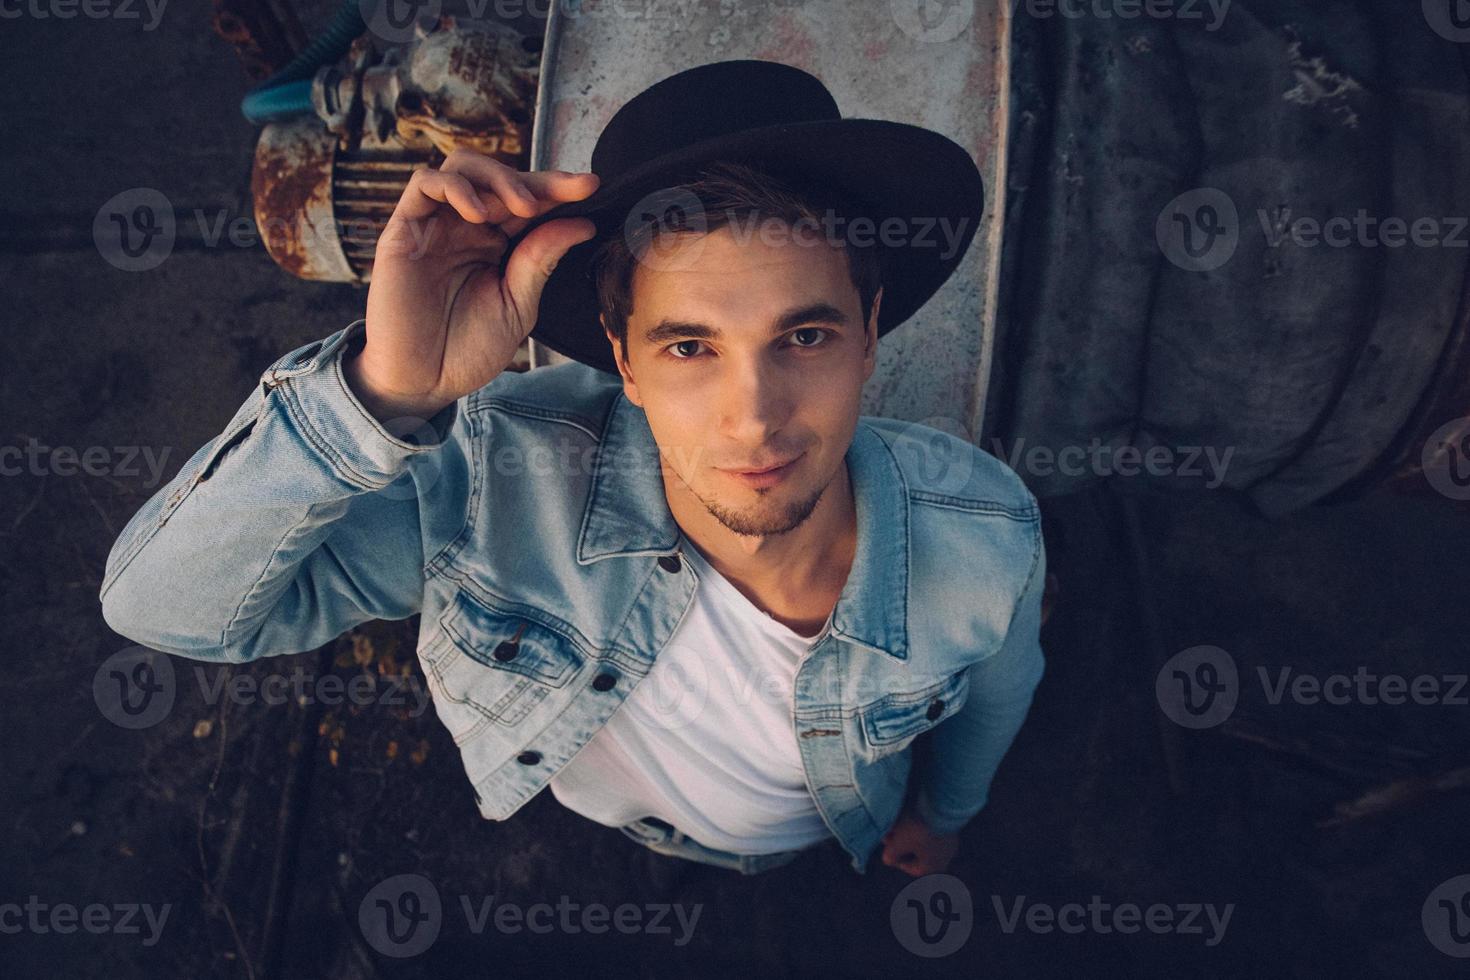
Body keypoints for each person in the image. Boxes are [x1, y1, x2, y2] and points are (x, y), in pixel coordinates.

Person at [100, 60, 1046, 878]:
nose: (755, 415)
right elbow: (166, 610)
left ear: (870, 337)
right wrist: (380, 395)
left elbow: (997, 698)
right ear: (623, 361)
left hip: (836, 830)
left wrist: (941, 818)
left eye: (804, 334)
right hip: (614, 824)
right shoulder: (491, 491)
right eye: (688, 348)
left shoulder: (985, 539)